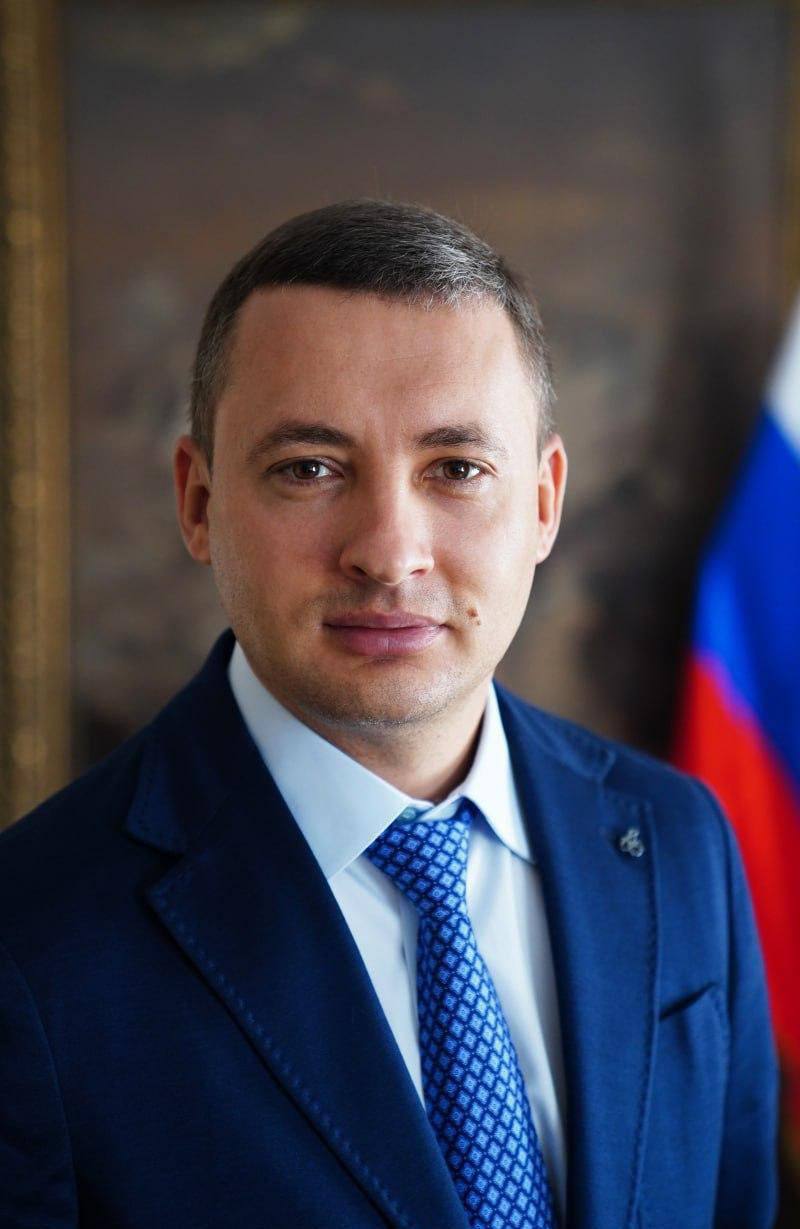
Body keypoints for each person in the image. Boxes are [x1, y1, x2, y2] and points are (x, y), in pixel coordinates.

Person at [0, 200, 778, 1229]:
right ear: (198, 501)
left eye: (456, 469)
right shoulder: (30, 940)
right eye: (309, 468)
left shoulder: (679, 839)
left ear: (543, 501)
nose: (388, 550)